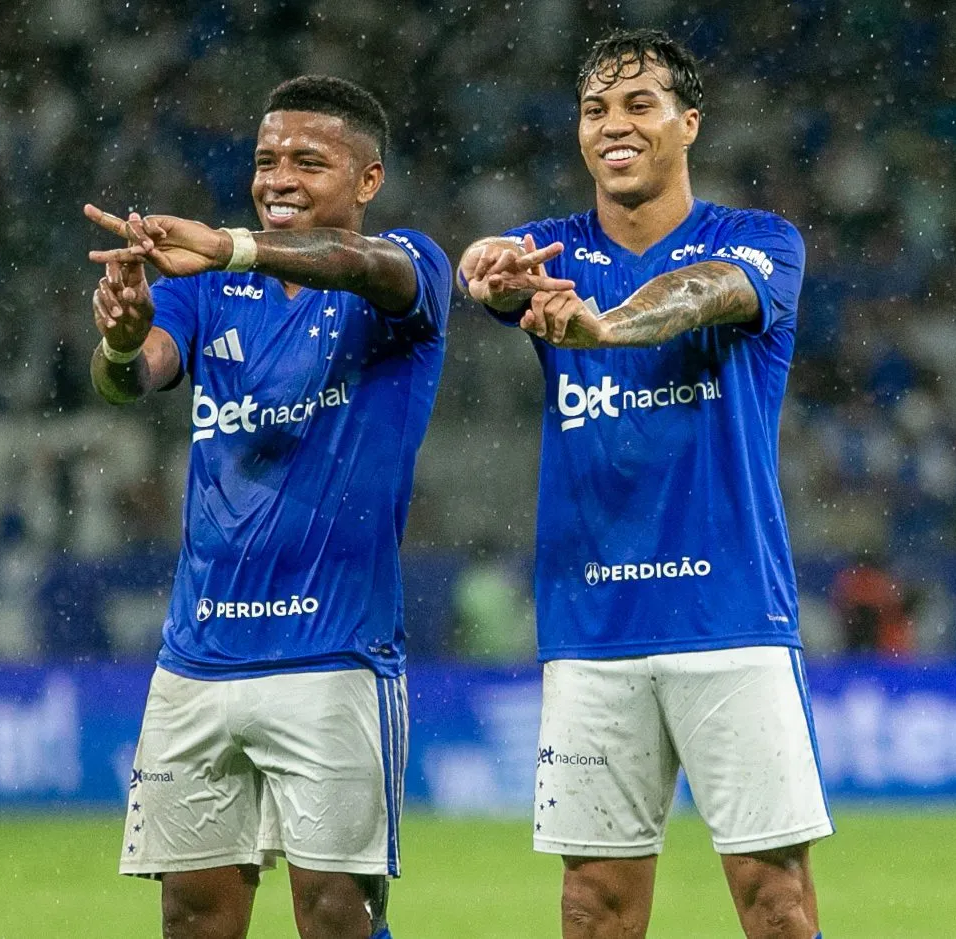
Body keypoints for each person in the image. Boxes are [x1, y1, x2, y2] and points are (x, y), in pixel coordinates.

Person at [457, 29, 831, 939]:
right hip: (592, 629)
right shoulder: (552, 250)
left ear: (688, 123)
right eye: (594, 110)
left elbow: (704, 292)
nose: (613, 125)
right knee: (594, 907)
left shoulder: (758, 242)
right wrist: (482, 270)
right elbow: (497, 270)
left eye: (639, 104)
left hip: (732, 618)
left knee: (775, 901)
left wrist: (607, 327)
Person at [84, 75, 451, 939]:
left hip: (333, 654)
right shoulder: (209, 287)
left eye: (307, 161)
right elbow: (128, 380)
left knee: (336, 916)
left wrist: (230, 246)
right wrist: (122, 335)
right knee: (192, 917)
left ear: (367, 181)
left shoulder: (407, 267)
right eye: (265, 159)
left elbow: (365, 266)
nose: (278, 177)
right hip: (197, 656)